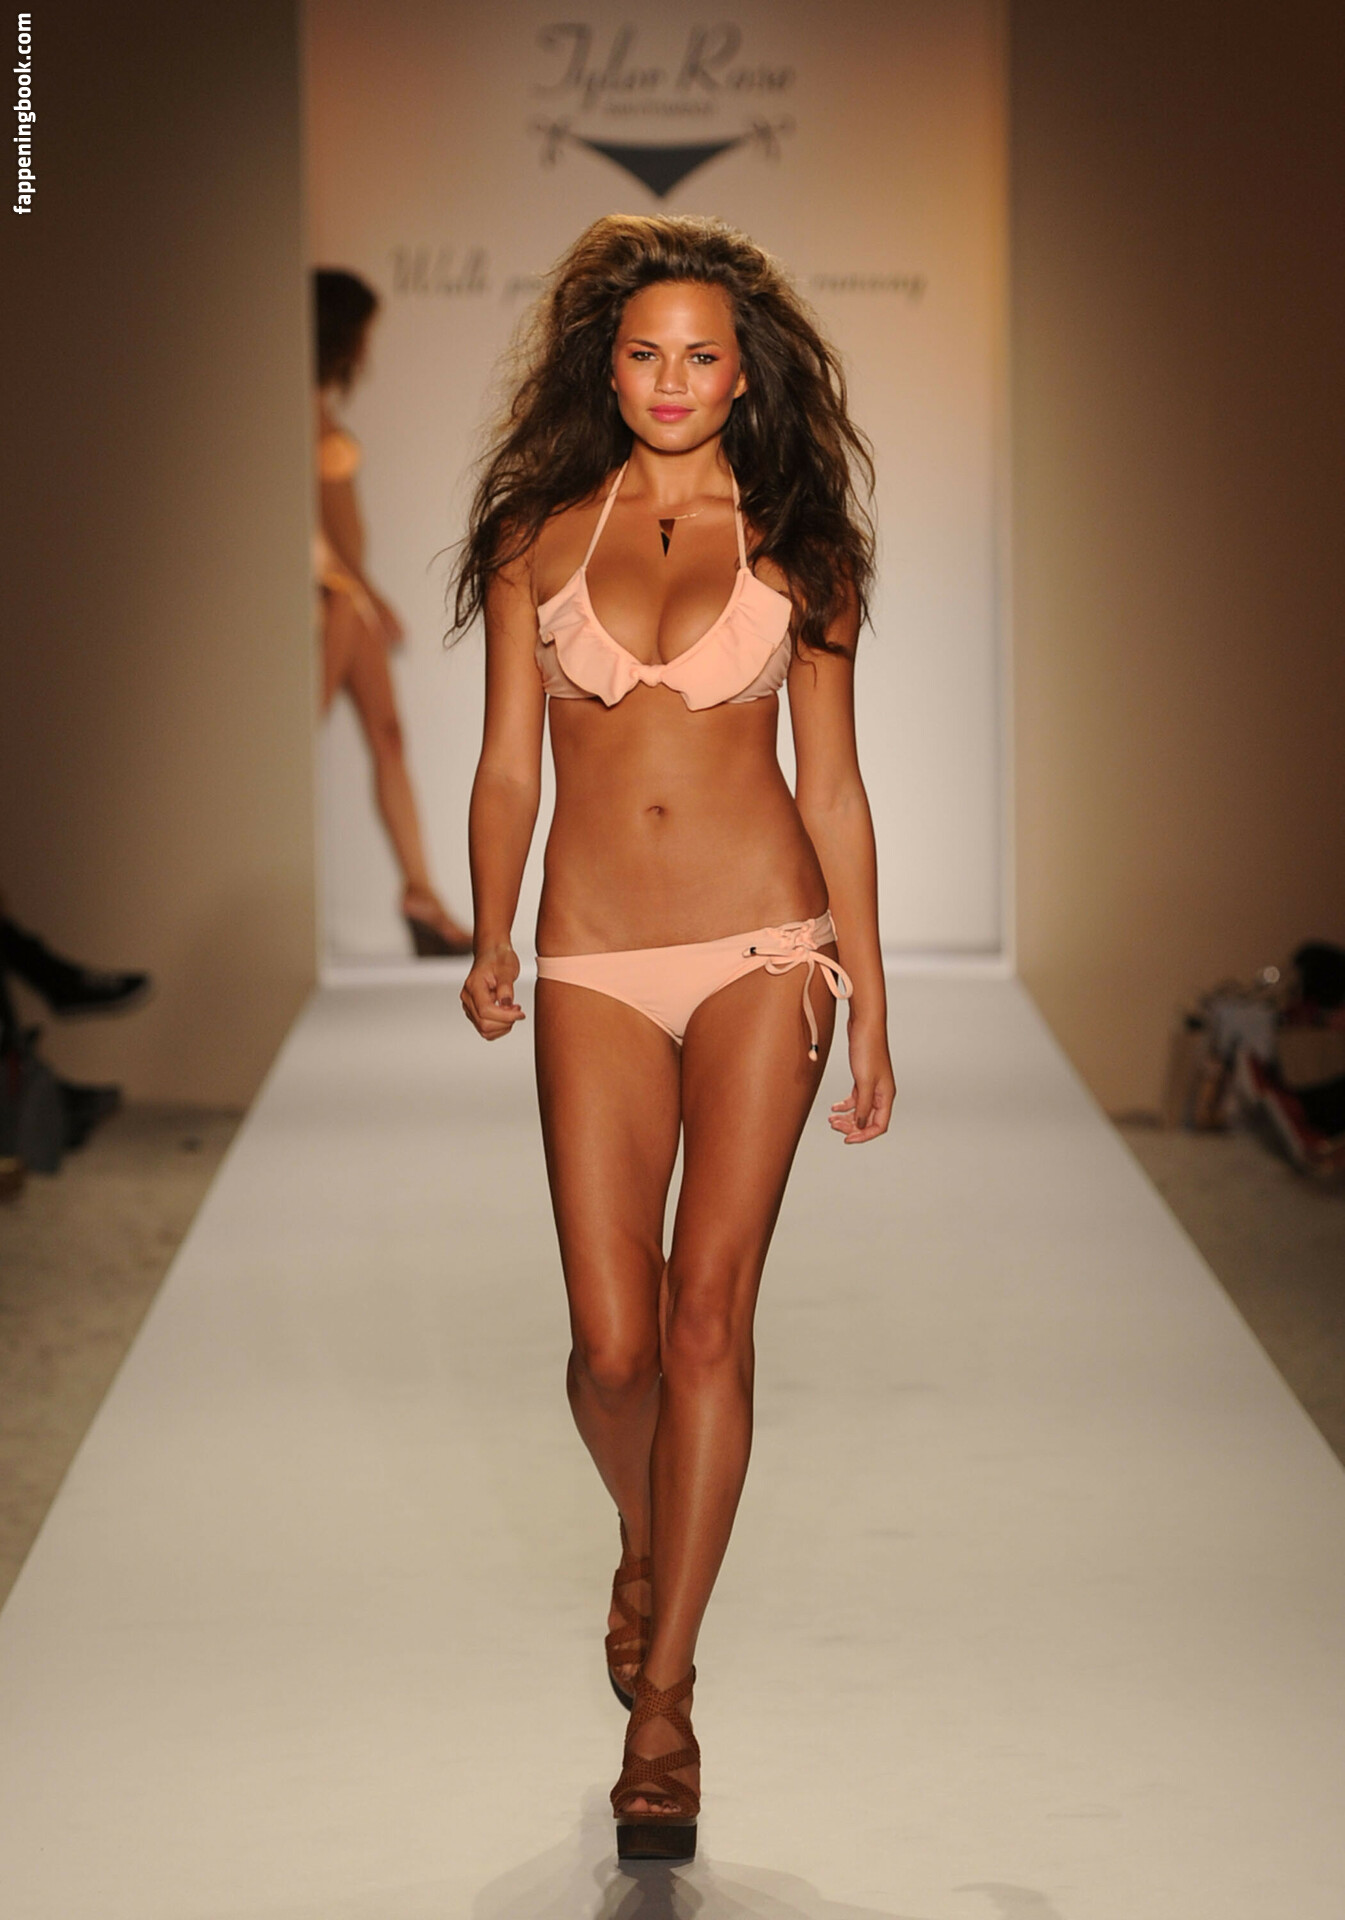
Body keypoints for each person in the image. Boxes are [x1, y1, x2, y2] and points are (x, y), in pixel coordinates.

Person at [453, 215, 896, 1862]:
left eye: (703, 355)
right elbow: (511, 761)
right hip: (589, 959)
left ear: (743, 374)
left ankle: (666, 1706)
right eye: (645, 352)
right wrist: (491, 928)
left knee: (708, 1319)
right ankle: (645, 1538)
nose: (672, 379)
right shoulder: (536, 532)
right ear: (607, 363)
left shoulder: (801, 547)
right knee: (611, 1347)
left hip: (764, 951)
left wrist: (871, 1000)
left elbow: (832, 788)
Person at [313, 269, 472, 956]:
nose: (366, 346)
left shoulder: (313, 403)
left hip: (345, 594)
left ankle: (422, 895)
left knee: (389, 737)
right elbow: (314, 524)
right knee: (304, 736)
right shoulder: (292, 406)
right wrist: (366, 592)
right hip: (331, 595)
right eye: (361, 331)